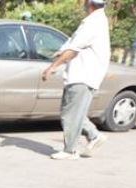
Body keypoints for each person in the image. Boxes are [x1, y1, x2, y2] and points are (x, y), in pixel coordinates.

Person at [42, 0, 110, 160]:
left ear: (90, 4)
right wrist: (60, 51)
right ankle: (94, 136)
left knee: (70, 114)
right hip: (83, 74)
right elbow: (72, 43)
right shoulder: (95, 21)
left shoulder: (93, 23)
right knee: (72, 112)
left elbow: (73, 50)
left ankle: (70, 150)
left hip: (83, 75)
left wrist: (52, 67)